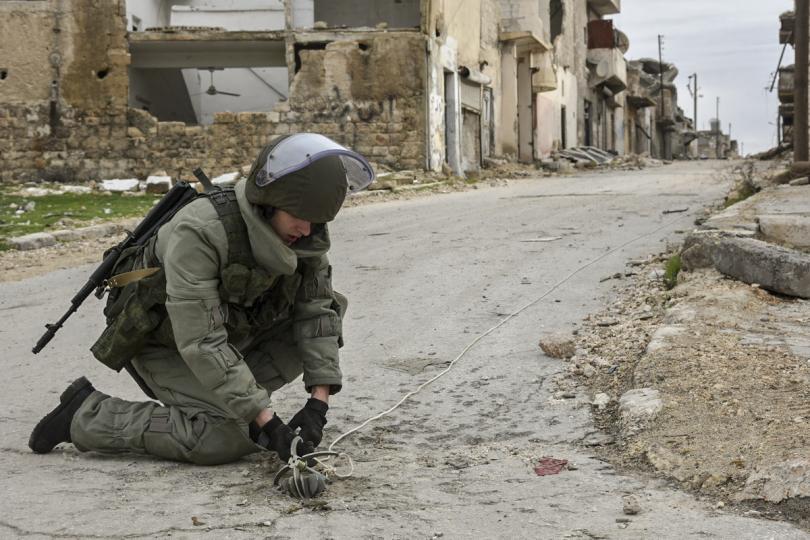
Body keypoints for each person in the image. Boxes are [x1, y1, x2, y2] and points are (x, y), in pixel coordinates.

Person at [28, 133, 374, 465]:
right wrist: (266, 422)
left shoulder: (304, 237)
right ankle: (84, 414)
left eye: (316, 222)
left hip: (230, 338)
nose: (307, 231)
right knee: (223, 436)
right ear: (270, 203)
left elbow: (318, 314)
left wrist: (318, 405)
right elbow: (201, 340)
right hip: (164, 343)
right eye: (300, 218)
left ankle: (229, 399)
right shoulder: (201, 232)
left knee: (331, 310)